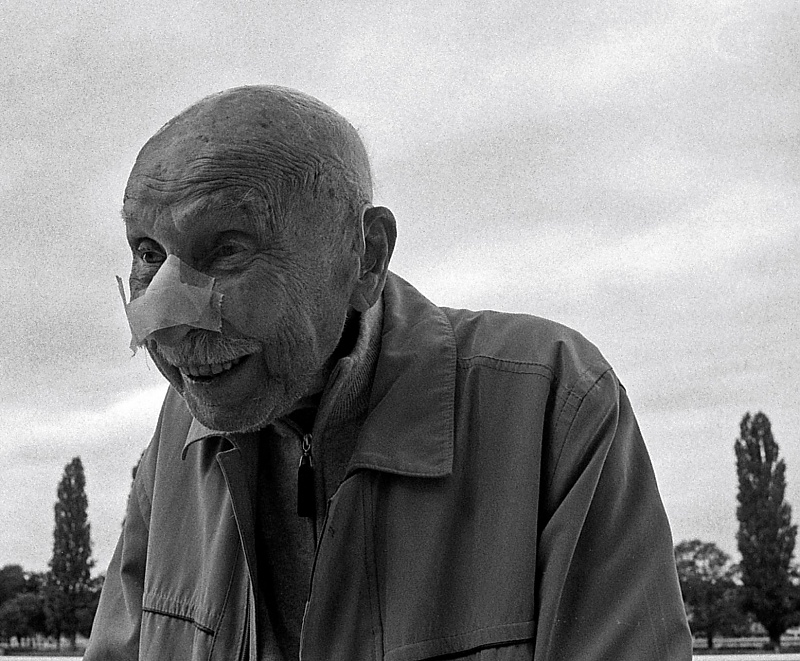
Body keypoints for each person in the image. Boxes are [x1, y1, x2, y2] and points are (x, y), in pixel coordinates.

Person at [85, 85, 692, 661]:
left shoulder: (552, 400)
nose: (164, 324)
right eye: (148, 254)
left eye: (227, 248)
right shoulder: (181, 431)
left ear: (366, 256)